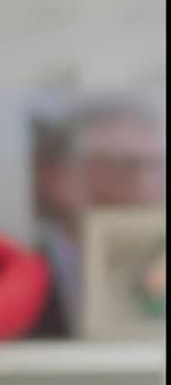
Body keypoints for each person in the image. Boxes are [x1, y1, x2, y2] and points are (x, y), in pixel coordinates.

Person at [30, 93, 165, 337]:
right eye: (122, 166)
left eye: (157, 167)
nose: (145, 185)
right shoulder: (23, 276)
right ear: (59, 178)